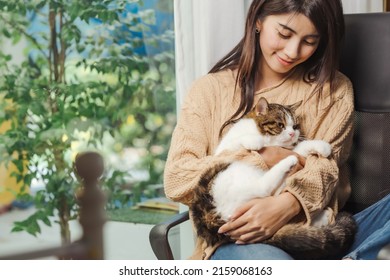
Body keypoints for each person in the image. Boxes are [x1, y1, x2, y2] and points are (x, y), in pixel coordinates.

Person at [163, 0, 390, 260]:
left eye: (310, 41)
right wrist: (264, 157)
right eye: (284, 34)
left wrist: (286, 205)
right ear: (258, 20)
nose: (293, 51)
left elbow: (327, 170)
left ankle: (354, 261)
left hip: (319, 233)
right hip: (239, 239)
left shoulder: (333, 91)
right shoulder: (210, 91)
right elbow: (178, 179)